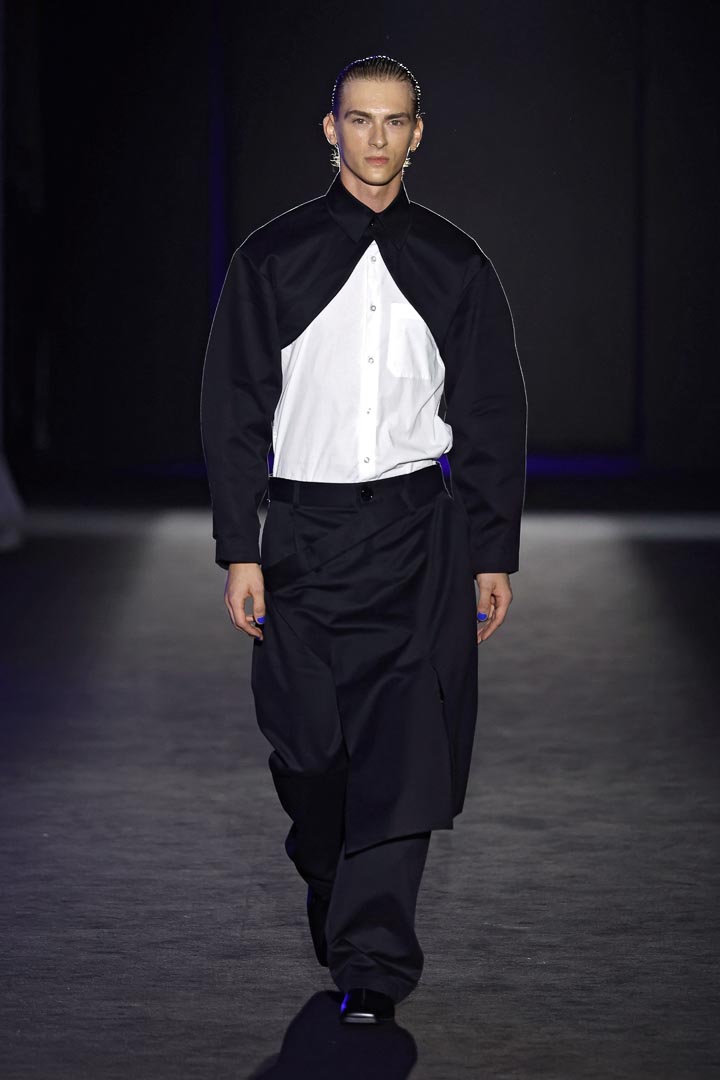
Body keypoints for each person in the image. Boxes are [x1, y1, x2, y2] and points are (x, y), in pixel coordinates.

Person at [200, 54, 527, 1024]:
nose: (376, 137)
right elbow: (233, 406)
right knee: (311, 758)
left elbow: (492, 411)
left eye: (394, 121)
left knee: (403, 751)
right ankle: (329, 874)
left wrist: (492, 551)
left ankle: (373, 967)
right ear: (330, 128)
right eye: (359, 119)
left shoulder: (457, 265)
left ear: (417, 133)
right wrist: (241, 545)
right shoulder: (273, 258)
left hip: (417, 536)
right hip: (302, 536)